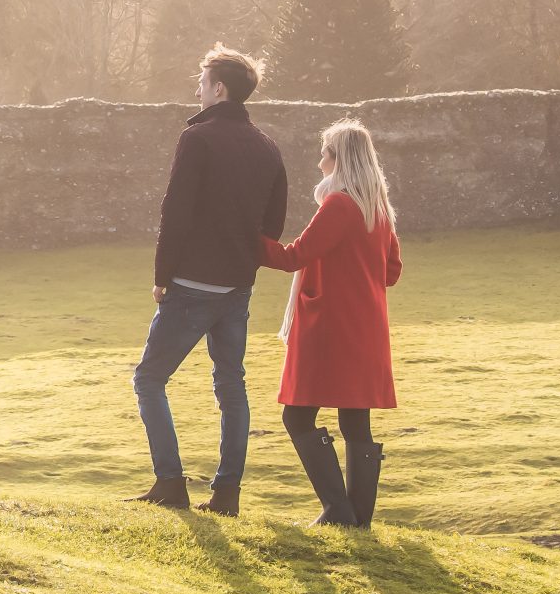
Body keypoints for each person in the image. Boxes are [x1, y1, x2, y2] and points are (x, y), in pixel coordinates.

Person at [130, 46, 288, 517]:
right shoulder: (267, 147)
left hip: (192, 284)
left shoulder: (198, 139)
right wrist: (242, 263)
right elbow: (273, 224)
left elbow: (175, 210)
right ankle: (226, 493)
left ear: (219, 89)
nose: (196, 90)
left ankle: (170, 482)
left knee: (149, 378)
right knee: (231, 385)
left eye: (201, 83)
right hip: (236, 288)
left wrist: (162, 276)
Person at [261, 119, 403, 527]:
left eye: (324, 151)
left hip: (330, 328)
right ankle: (357, 516)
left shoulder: (339, 205)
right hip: (366, 328)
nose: (319, 159)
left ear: (339, 160)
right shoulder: (377, 209)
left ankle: (338, 510)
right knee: (354, 419)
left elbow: (293, 257)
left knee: (297, 417)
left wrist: (245, 240)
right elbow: (390, 272)